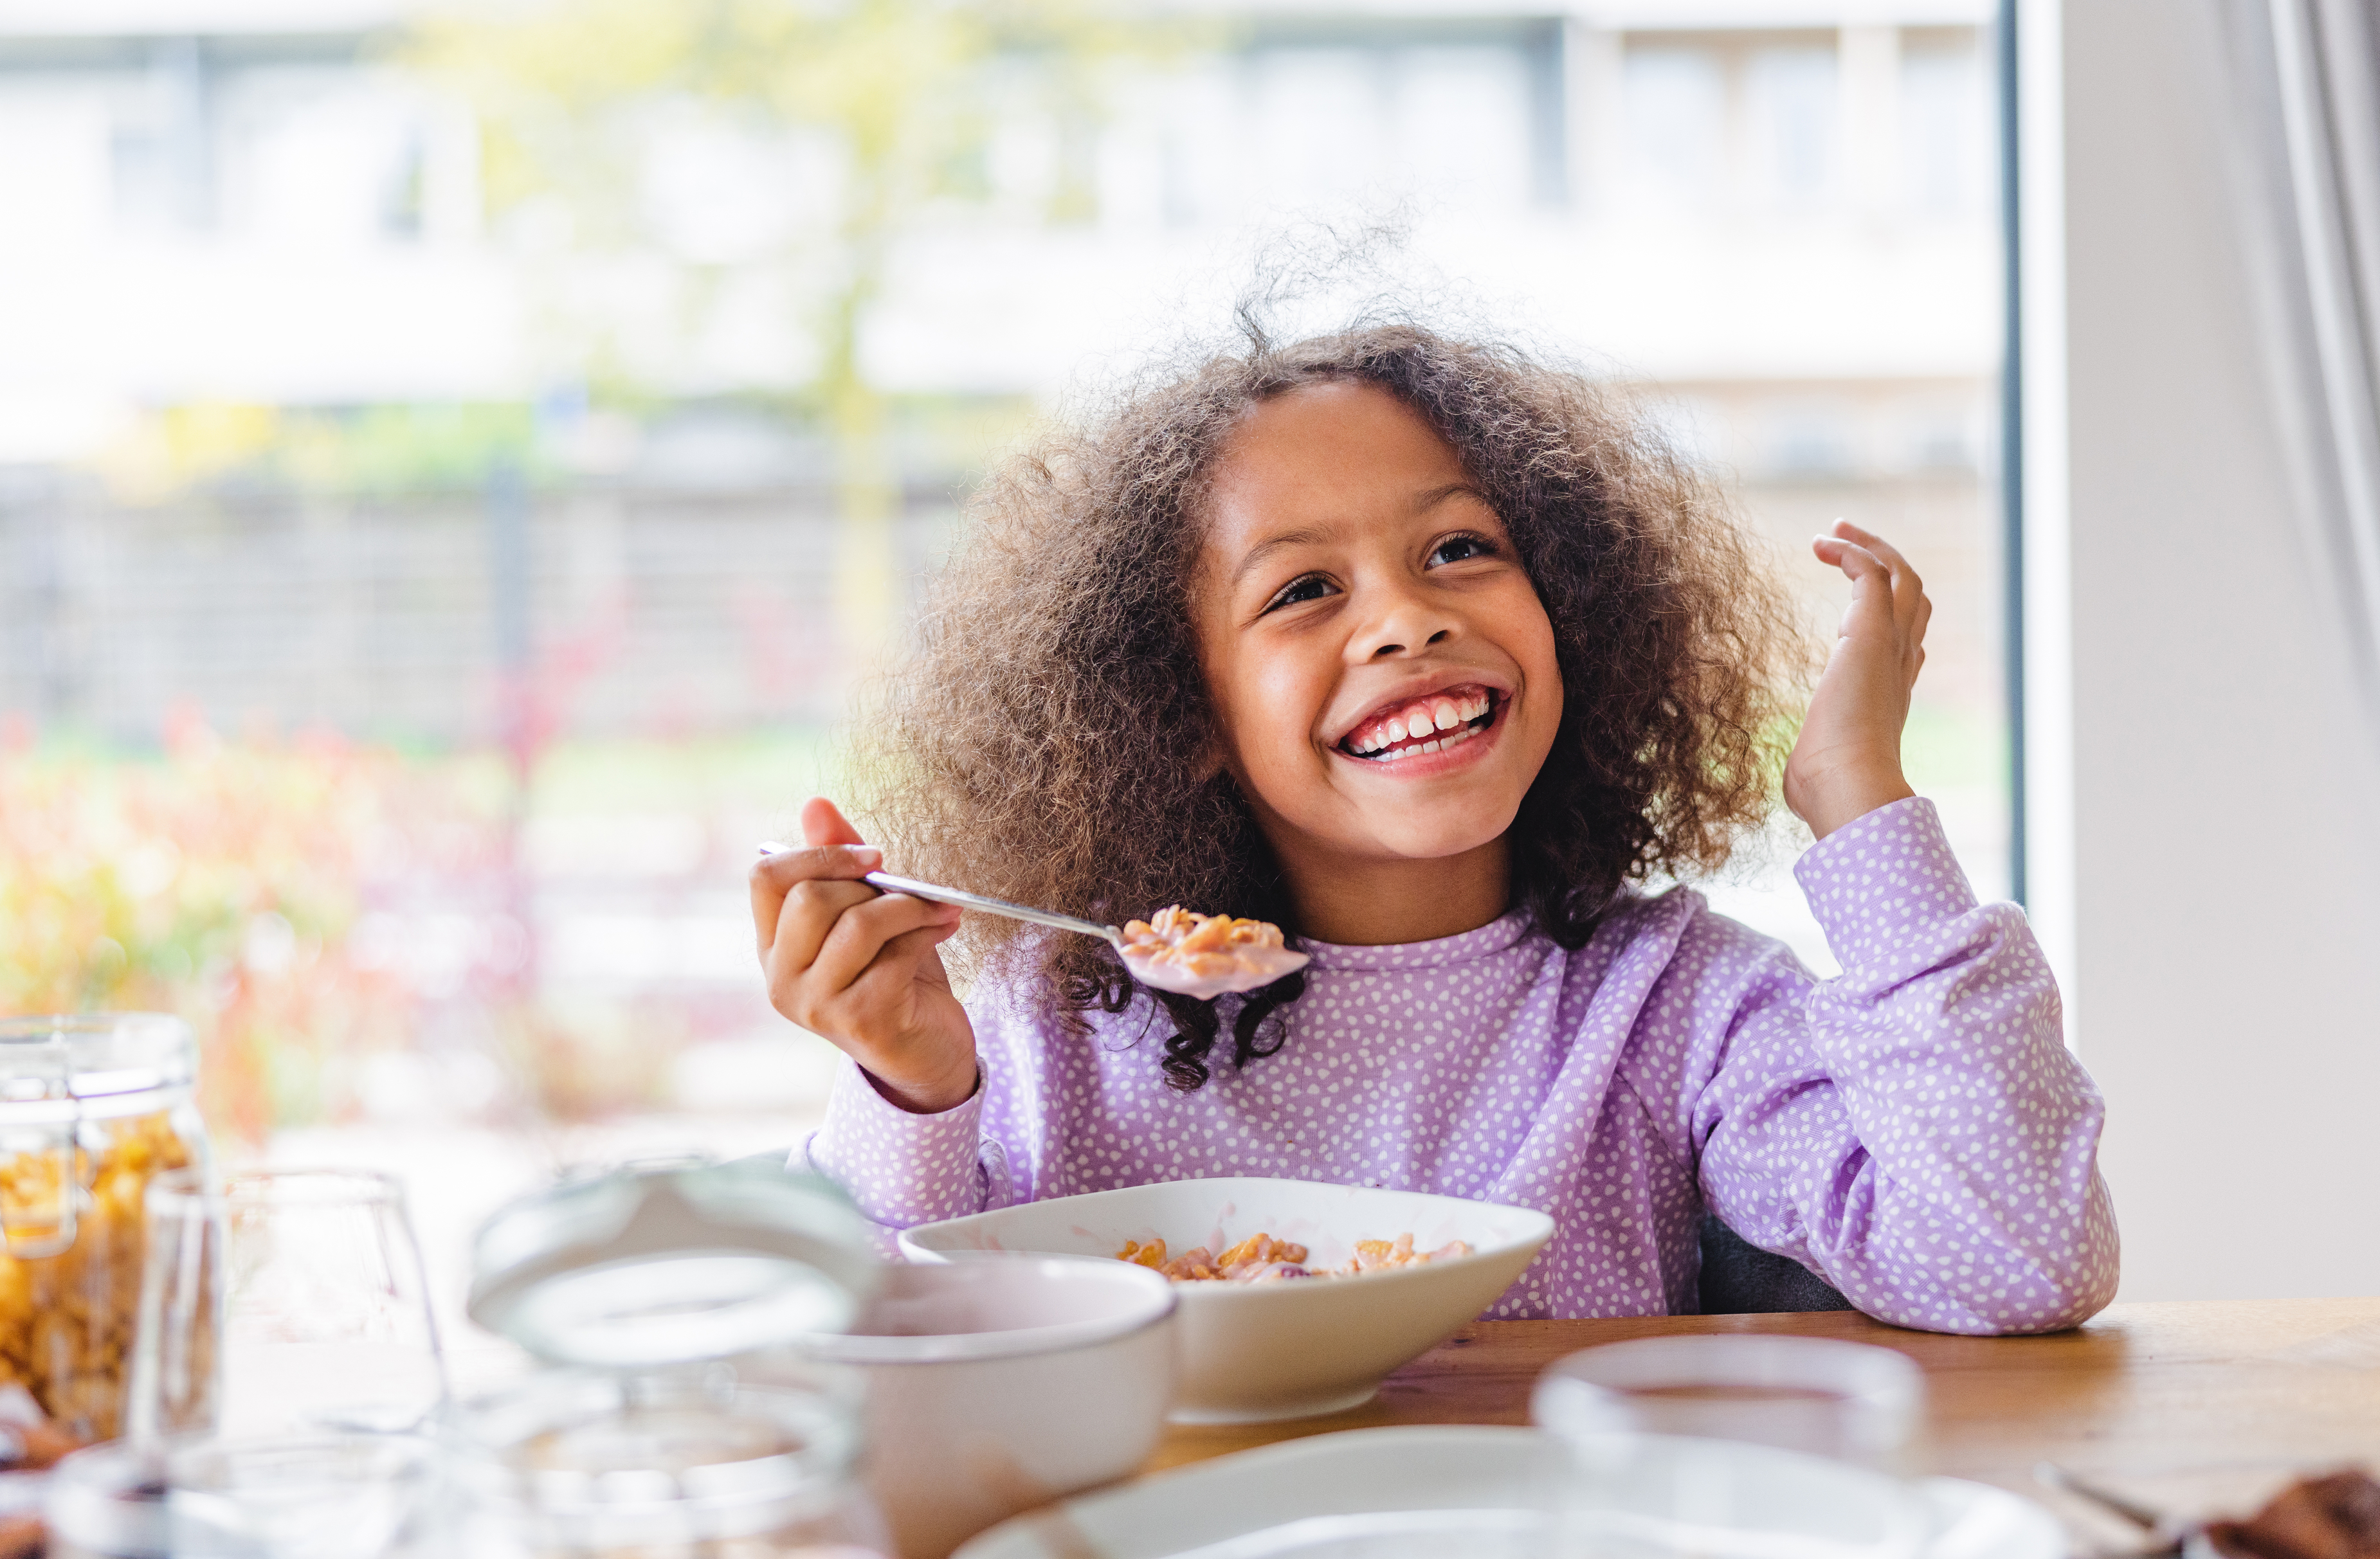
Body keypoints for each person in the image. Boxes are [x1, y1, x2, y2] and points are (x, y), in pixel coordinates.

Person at [750, 321, 2115, 1332]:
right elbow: (877, 1339)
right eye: (1299, 592)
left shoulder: (1668, 1008)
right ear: (1178, 714)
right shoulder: (1043, 1022)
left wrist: (1856, 798)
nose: (1406, 617)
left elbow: (2014, 1255)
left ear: (1572, 609)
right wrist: (911, 1085)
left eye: (1459, 548)